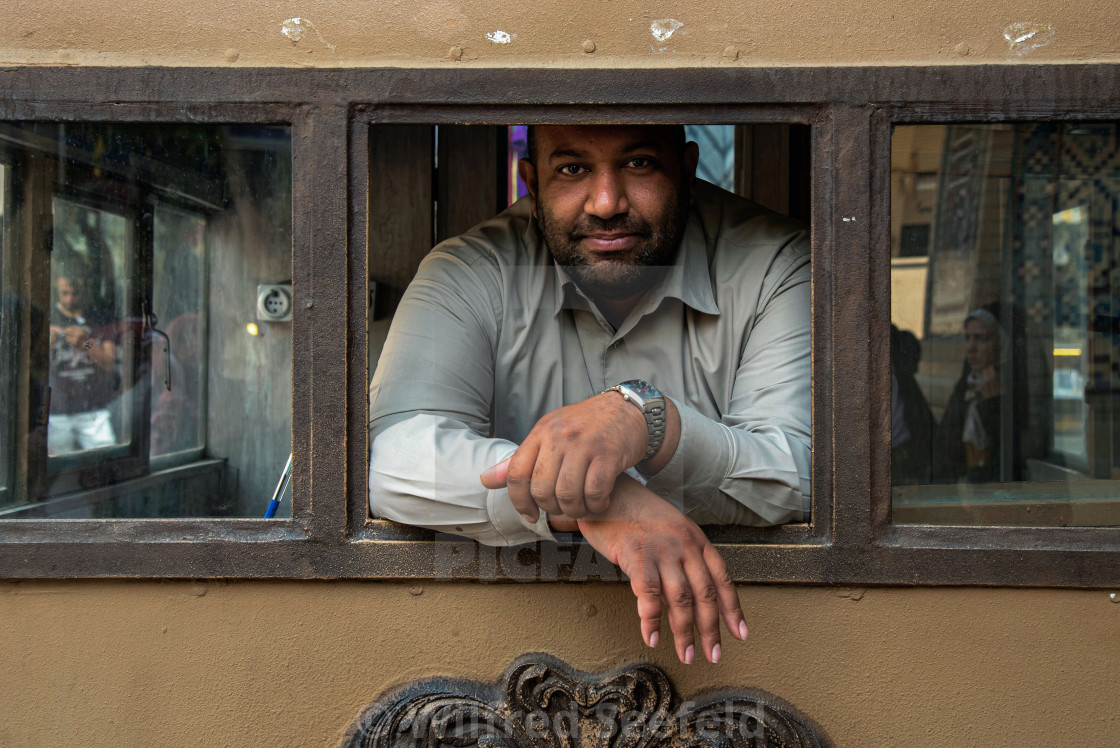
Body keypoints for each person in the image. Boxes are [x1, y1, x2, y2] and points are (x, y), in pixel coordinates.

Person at [368, 125, 810, 665]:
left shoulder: (777, 265)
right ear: (531, 182)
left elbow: (802, 474)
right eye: (572, 169)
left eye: (640, 163)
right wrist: (602, 500)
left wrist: (650, 422)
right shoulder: (470, 271)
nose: (606, 203)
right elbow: (391, 461)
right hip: (499, 649)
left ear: (688, 172)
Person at [47, 259, 120, 455]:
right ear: (57, 288)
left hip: (92, 409)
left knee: (106, 461)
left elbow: (109, 363)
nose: (69, 300)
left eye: (75, 293)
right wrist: (47, 346)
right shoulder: (48, 316)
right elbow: (32, 370)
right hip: (56, 411)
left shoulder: (98, 317)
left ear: (85, 288)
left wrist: (86, 344)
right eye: (64, 293)